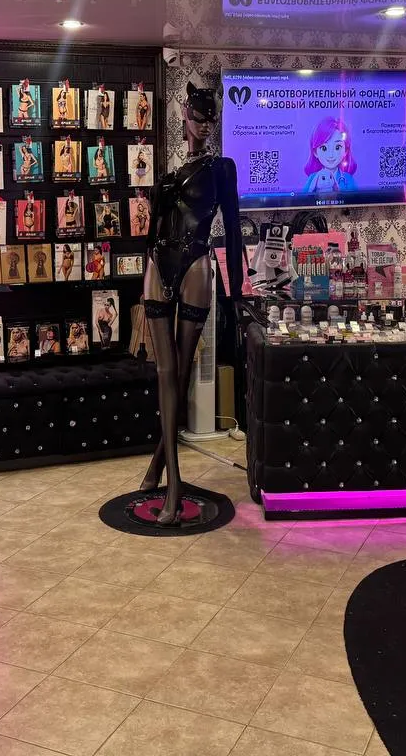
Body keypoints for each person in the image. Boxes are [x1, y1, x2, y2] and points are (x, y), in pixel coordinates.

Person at [138, 82, 245, 525]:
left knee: (180, 373)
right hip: (157, 265)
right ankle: (165, 472)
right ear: (185, 115)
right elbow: (152, 231)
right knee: (167, 373)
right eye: (198, 118)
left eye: (210, 120)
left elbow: (234, 230)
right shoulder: (170, 170)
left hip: (197, 263)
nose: (204, 126)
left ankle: (170, 479)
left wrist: (237, 293)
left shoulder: (222, 169)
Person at [302, 115, 358, 194]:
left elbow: (356, 198)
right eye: (324, 148)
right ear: (315, 152)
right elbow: (305, 198)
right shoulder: (312, 178)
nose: (331, 155)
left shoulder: (348, 179)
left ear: (345, 150)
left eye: (337, 147)